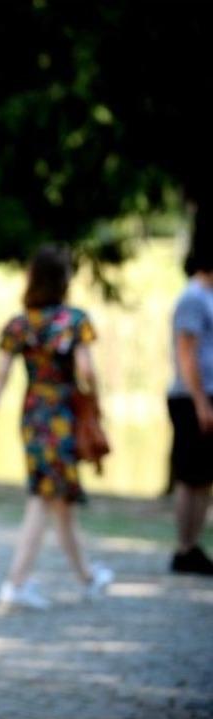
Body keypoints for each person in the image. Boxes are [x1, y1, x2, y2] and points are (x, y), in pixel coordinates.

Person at [0, 246, 114, 608]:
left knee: (58, 496)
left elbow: (1, 377)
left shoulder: (19, 324)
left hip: (33, 412)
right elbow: (87, 371)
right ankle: (16, 583)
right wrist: (95, 404)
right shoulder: (75, 321)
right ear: (64, 280)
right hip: (63, 414)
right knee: (45, 495)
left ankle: (88, 576)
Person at [166, 238, 213, 576]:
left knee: (204, 477)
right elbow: (186, 353)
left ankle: (195, 545)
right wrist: (200, 402)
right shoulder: (192, 298)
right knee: (188, 473)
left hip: (207, 397)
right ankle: (182, 547)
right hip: (190, 398)